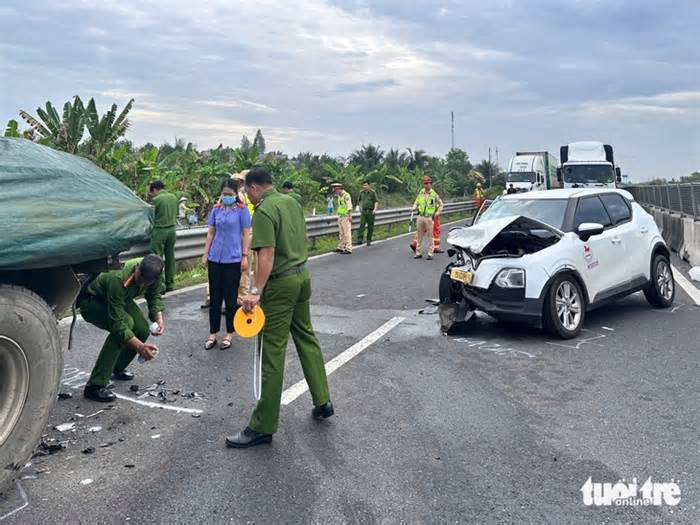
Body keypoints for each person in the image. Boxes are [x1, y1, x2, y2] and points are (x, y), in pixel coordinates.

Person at [226, 167, 333, 448]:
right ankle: (323, 400)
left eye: (247, 192)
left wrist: (254, 292)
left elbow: (267, 255)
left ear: (253, 188)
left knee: (272, 352)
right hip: (302, 277)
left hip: (281, 285)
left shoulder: (263, 211)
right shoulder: (292, 201)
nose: (247, 197)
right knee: (306, 337)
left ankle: (262, 426)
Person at [80, 255, 165, 402]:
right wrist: (140, 347)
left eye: (146, 283)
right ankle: (94, 386)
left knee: (142, 328)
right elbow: (117, 324)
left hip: (119, 299)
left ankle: (116, 368)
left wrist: (158, 316)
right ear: (138, 268)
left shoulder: (156, 272)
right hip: (92, 302)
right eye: (139, 280)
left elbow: (154, 294)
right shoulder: (118, 279)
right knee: (125, 325)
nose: (142, 284)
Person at [201, 178, 251, 350]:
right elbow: (210, 233)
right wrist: (206, 254)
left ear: (236, 194)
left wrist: (244, 256)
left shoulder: (242, 211)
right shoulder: (216, 210)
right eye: (224, 194)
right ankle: (212, 333)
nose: (226, 197)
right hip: (215, 258)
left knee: (230, 300)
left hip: (233, 258)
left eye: (230, 194)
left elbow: (246, 234)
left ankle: (230, 333)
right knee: (215, 298)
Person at [149, 181, 179, 292]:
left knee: (157, 258)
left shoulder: (156, 200)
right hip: (172, 230)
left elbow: (151, 217)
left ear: (155, 189)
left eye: (152, 192)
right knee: (170, 257)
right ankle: (170, 283)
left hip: (159, 231)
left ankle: (160, 286)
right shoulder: (173, 197)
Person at [411, 176, 443, 260]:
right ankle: (418, 253)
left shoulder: (434, 194)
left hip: (429, 217)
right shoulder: (421, 192)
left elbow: (441, 205)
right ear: (423, 184)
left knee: (430, 236)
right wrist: (414, 207)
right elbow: (416, 202)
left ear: (431, 184)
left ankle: (430, 253)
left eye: (428, 183)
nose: (427, 185)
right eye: (425, 183)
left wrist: (437, 213)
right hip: (420, 216)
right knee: (419, 236)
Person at [332, 182, 353, 254]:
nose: (335, 192)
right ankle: (341, 247)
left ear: (339, 189)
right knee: (341, 233)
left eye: (336, 190)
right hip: (340, 216)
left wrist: (350, 216)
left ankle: (348, 248)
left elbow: (349, 207)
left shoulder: (346, 195)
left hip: (346, 216)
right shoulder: (339, 196)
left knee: (347, 233)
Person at [356, 180, 379, 246]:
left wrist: (375, 209)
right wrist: (360, 207)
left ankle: (369, 239)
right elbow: (359, 201)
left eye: (366, 185)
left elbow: (376, 201)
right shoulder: (361, 192)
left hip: (371, 211)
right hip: (364, 211)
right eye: (363, 185)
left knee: (370, 226)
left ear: (369, 185)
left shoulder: (372, 192)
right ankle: (360, 239)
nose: (364, 186)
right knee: (362, 224)